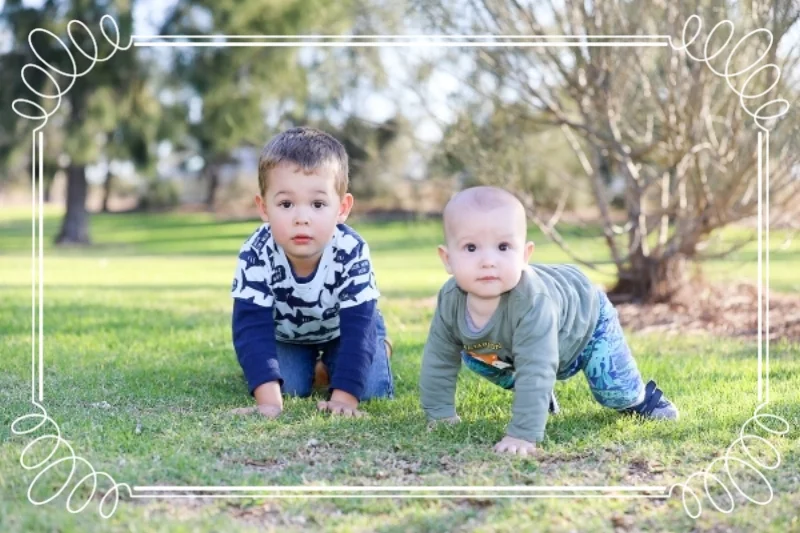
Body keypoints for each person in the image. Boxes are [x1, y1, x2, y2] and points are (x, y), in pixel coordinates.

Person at [419, 186, 678, 456]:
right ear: (447, 259)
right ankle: (539, 398)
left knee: (614, 392)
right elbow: (438, 358)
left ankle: (641, 400)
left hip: (586, 324)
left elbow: (536, 366)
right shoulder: (451, 300)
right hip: (532, 348)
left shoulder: (531, 302)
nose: (488, 261)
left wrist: (522, 434)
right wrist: (440, 414)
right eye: (471, 247)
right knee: (474, 353)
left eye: (503, 247)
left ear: (525, 255)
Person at [231, 127, 393, 419]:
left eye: (318, 204)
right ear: (264, 208)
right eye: (286, 204)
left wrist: (344, 400)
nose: (301, 218)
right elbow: (251, 329)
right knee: (289, 387)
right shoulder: (256, 252)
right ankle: (318, 367)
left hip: (344, 330)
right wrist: (268, 403)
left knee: (370, 389)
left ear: (342, 208)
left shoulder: (351, 250)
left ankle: (379, 347)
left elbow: (358, 329)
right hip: (286, 334)